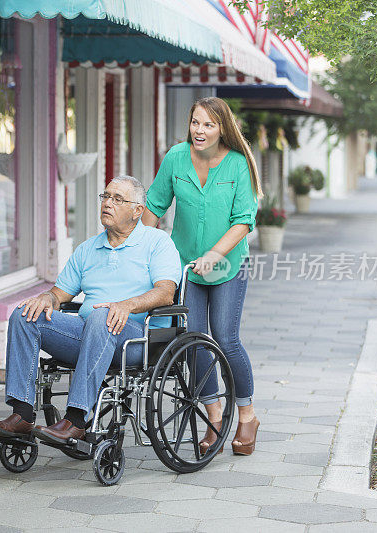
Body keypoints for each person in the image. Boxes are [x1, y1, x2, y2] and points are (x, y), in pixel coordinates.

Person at [0, 176, 181, 444]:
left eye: (117, 199)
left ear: (137, 211)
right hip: (89, 334)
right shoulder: (88, 248)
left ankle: (76, 419)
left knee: (103, 315)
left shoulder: (157, 242)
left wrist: (125, 305)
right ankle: (22, 414)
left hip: (136, 340)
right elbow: (59, 294)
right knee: (24, 315)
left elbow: (166, 292)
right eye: (106, 197)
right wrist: (45, 298)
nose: (108, 203)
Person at [141, 96, 262, 456]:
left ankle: (247, 415)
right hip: (185, 268)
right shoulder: (176, 158)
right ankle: (214, 418)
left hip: (227, 265)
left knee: (226, 338)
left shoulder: (238, 164)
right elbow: (154, 206)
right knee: (192, 340)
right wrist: (139, 251)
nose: (200, 130)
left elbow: (244, 220)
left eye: (209, 124)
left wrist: (213, 255)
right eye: (196, 122)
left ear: (222, 128)